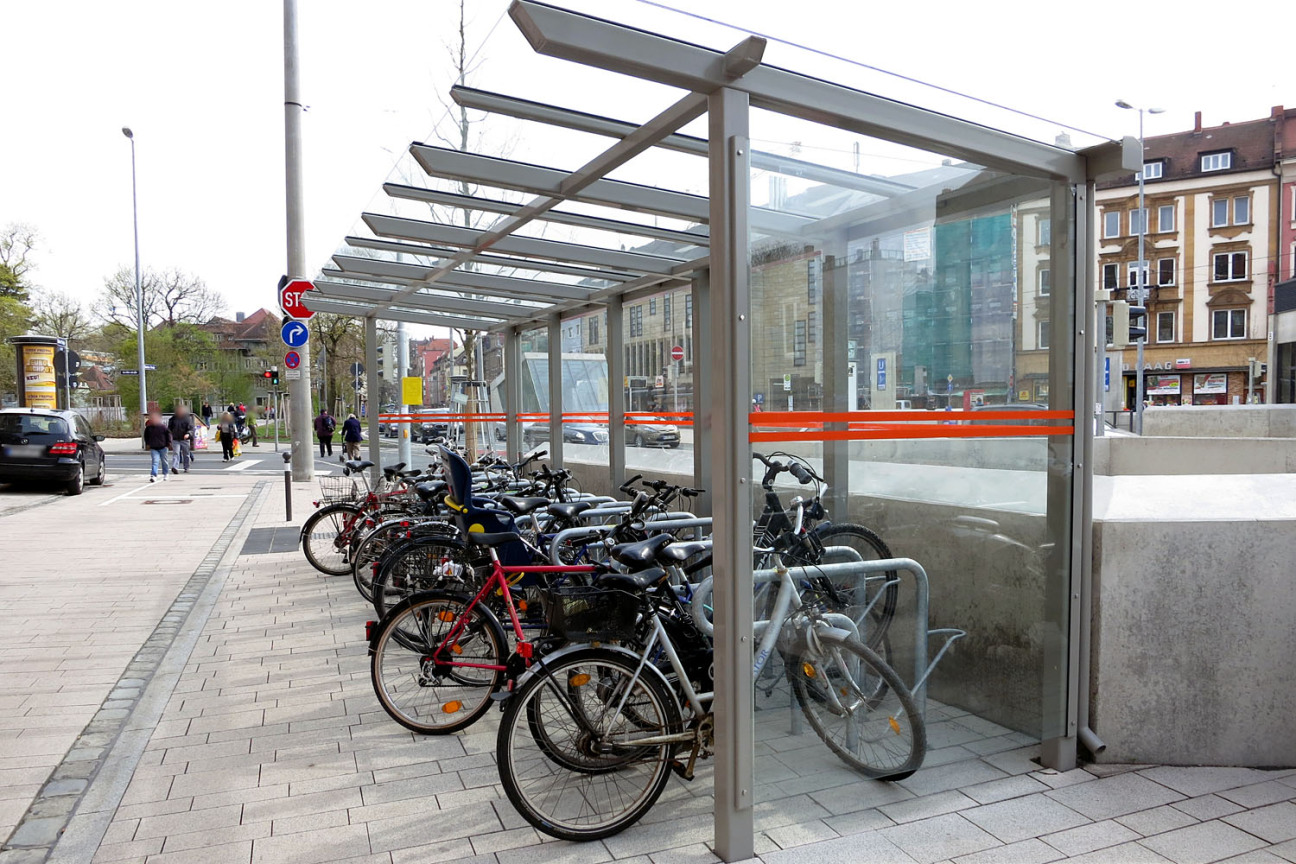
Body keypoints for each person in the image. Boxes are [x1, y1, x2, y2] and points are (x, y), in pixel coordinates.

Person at [143, 411, 172, 482]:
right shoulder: (148, 428)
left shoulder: (163, 427)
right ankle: (154, 475)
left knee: (164, 461)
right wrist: (148, 444)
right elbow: (146, 437)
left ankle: (166, 473)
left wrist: (169, 443)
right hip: (153, 447)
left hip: (163, 447)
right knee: (155, 461)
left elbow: (169, 435)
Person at [167, 404, 195, 473]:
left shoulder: (187, 419)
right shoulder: (173, 419)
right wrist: (170, 435)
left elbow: (191, 428)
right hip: (175, 439)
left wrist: (188, 434)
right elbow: (169, 428)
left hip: (184, 439)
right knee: (176, 453)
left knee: (186, 454)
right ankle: (175, 467)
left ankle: (186, 467)